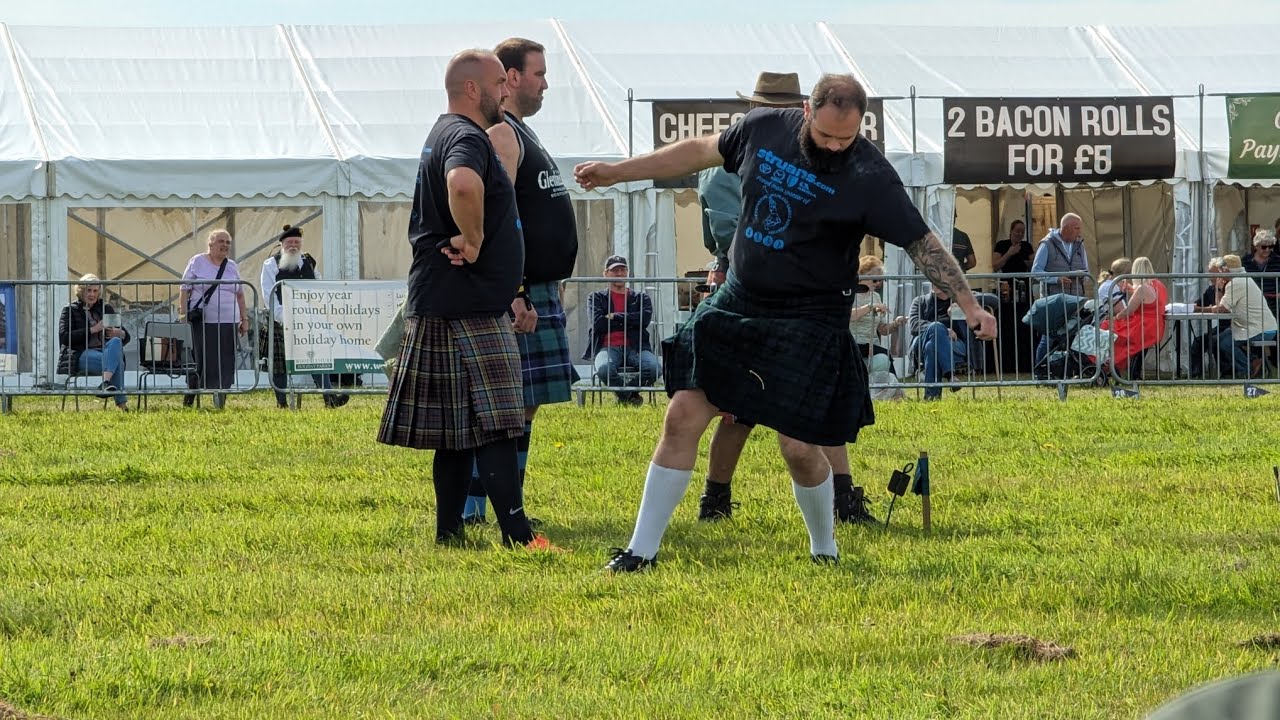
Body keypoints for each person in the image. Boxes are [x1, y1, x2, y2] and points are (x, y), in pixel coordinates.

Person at [574, 73, 997, 571]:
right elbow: (695, 152)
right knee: (682, 415)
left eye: (848, 137)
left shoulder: (870, 174)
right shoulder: (762, 128)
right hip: (740, 301)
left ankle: (825, 549)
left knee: (798, 447)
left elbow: (922, 242)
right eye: (827, 136)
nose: (837, 146)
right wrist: (617, 172)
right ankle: (640, 552)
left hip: (811, 316)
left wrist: (969, 304)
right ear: (805, 110)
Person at [376, 49, 554, 551]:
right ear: (473, 89)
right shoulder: (466, 137)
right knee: (499, 422)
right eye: (500, 82)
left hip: (450, 302)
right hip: (467, 305)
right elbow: (463, 183)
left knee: (455, 431)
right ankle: (518, 537)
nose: (506, 90)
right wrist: (472, 241)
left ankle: (449, 533)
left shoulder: (443, 132)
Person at [459, 38, 581, 525]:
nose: (545, 82)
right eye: (538, 73)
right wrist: (517, 291)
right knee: (505, 407)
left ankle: (508, 504)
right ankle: (477, 508)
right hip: (521, 292)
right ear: (509, 79)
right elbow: (497, 215)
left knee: (524, 407)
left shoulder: (522, 132)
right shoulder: (501, 135)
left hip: (537, 288)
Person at [259, 224, 350, 409]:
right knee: (279, 363)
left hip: (308, 320)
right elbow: (269, 294)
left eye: (297, 242)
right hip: (280, 319)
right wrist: (284, 318)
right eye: (289, 242)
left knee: (317, 358)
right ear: (282, 244)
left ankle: (329, 397)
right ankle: (282, 401)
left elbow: (317, 288)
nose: (293, 245)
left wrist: (317, 314)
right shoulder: (270, 264)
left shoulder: (308, 261)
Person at [179, 229, 248, 408]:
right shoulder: (197, 262)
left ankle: (220, 399)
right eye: (220, 241)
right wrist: (183, 313)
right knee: (203, 360)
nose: (224, 245)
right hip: (203, 322)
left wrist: (244, 318)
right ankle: (192, 396)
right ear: (210, 244)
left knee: (225, 361)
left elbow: (240, 294)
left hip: (228, 321)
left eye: (227, 242)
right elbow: (184, 288)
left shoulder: (232, 266)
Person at [583, 255, 659, 405]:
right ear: (605, 274)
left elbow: (644, 320)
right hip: (607, 347)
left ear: (627, 272)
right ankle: (630, 398)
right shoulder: (596, 297)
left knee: (654, 368)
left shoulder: (641, 297)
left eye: (622, 270)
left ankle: (625, 395)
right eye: (614, 270)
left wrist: (614, 316)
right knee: (604, 369)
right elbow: (598, 323)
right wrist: (630, 320)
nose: (619, 274)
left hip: (636, 347)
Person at [57, 274, 131, 410]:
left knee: (115, 342)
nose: (92, 294)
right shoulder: (70, 310)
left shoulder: (105, 308)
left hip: (105, 350)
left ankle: (105, 382)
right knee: (117, 362)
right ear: (81, 291)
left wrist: (120, 333)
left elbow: (126, 336)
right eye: (88, 290)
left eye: (95, 291)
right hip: (80, 354)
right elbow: (64, 337)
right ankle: (122, 405)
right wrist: (93, 329)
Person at [1030, 213, 1089, 366]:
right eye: (1076, 228)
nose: (1079, 232)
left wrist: (1082, 276)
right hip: (1053, 301)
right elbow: (1036, 271)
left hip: (1075, 299)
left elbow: (1087, 272)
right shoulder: (1047, 244)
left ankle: (1070, 370)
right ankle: (1040, 370)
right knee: (1048, 337)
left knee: (1075, 335)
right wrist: (1056, 279)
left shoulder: (1079, 244)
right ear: (1066, 228)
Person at [1209, 254, 1279, 379]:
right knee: (1219, 339)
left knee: (1225, 343)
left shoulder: (1236, 283)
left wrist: (1218, 289)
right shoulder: (1243, 278)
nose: (1219, 274)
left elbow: (1220, 308)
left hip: (1260, 329)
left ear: (1226, 270)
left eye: (1220, 270)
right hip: (1261, 326)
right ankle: (1250, 361)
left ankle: (1248, 369)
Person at [908, 284, 980, 400]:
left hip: (955, 345)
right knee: (936, 328)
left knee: (931, 347)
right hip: (921, 343)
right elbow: (914, 325)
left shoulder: (959, 300)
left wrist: (963, 299)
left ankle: (932, 397)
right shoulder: (920, 301)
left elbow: (993, 299)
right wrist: (943, 330)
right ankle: (950, 375)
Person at [1098, 256, 1167, 378]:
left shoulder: (1142, 288)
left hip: (1142, 326)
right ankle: (1121, 369)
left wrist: (1117, 317)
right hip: (1156, 326)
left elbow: (1128, 311)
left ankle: (1107, 363)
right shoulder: (1159, 284)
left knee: (1108, 327)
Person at [849, 255, 905, 369]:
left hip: (873, 347)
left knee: (884, 358)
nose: (878, 284)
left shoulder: (876, 297)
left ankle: (889, 386)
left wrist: (896, 324)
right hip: (853, 346)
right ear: (863, 275)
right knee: (885, 355)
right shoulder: (850, 294)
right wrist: (870, 306)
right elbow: (849, 316)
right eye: (875, 279)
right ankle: (892, 386)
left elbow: (882, 329)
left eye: (880, 280)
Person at [1188, 256, 1230, 379]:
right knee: (1198, 342)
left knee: (1215, 341)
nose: (1210, 277)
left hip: (1233, 325)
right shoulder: (1211, 289)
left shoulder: (1229, 287)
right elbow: (1199, 303)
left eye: (1213, 273)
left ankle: (1227, 372)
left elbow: (1220, 308)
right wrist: (1186, 307)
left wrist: (1203, 309)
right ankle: (1196, 373)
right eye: (1210, 273)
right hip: (1221, 326)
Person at [1242, 227, 1280, 318]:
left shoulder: (1278, 260)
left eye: (1270, 247)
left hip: (1273, 305)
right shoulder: (1245, 261)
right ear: (1256, 246)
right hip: (1251, 304)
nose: (1267, 250)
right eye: (1263, 247)